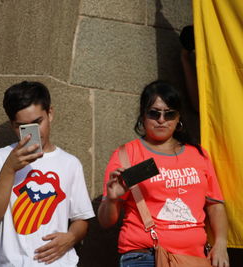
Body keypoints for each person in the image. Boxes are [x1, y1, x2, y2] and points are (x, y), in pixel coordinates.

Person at [98, 81, 229, 267]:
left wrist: (221, 244)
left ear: (178, 119)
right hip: (145, 257)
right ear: (143, 115)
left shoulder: (198, 154)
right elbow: (105, 222)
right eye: (154, 113)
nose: (161, 119)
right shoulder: (127, 155)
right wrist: (111, 200)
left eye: (169, 114)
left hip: (195, 259)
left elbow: (215, 205)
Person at [0, 81, 95, 266]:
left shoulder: (70, 163)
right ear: (12, 125)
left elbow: (81, 217)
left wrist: (72, 237)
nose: (33, 133)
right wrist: (9, 169)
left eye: (37, 122)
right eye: (22, 126)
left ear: (50, 114)